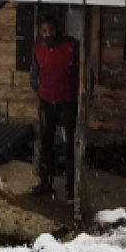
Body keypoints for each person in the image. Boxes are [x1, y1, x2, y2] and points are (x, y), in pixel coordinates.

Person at [28, 14, 79, 198]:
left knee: (70, 145)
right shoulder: (37, 47)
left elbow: (82, 75)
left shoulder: (71, 46)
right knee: (46, 143)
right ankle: (46, 182)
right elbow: (34, 74)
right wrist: (41, 91)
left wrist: (78, 95)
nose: (47, 34)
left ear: (57, 30)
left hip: (68, 103)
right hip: (46, 102)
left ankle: (72, 187)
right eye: (44, 31)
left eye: (50, 30)